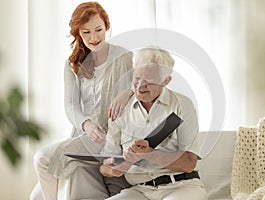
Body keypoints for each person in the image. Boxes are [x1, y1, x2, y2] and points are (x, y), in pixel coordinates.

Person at [30, 2, 133, 200]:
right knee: (35, 196)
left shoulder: (124, 57)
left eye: (98, 30)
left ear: (107, 27)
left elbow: (143, 86)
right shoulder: (72, 64)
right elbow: (70, 105)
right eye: (86, 32)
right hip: (84, 136)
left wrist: (127, 91)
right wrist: (86, 124)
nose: (94, 38)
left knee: (41, 158)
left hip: (110, 137)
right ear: (78, 33)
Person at [99, 47, 208, 200]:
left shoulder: (182, 105)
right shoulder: (120, 109)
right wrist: (115, 168)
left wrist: (150, 154)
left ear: (166, 81)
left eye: (149, 81)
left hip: (181, 187)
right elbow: (104, 166)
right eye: (137, 78)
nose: (140, 86)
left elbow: (189, 163)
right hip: (139, 191)